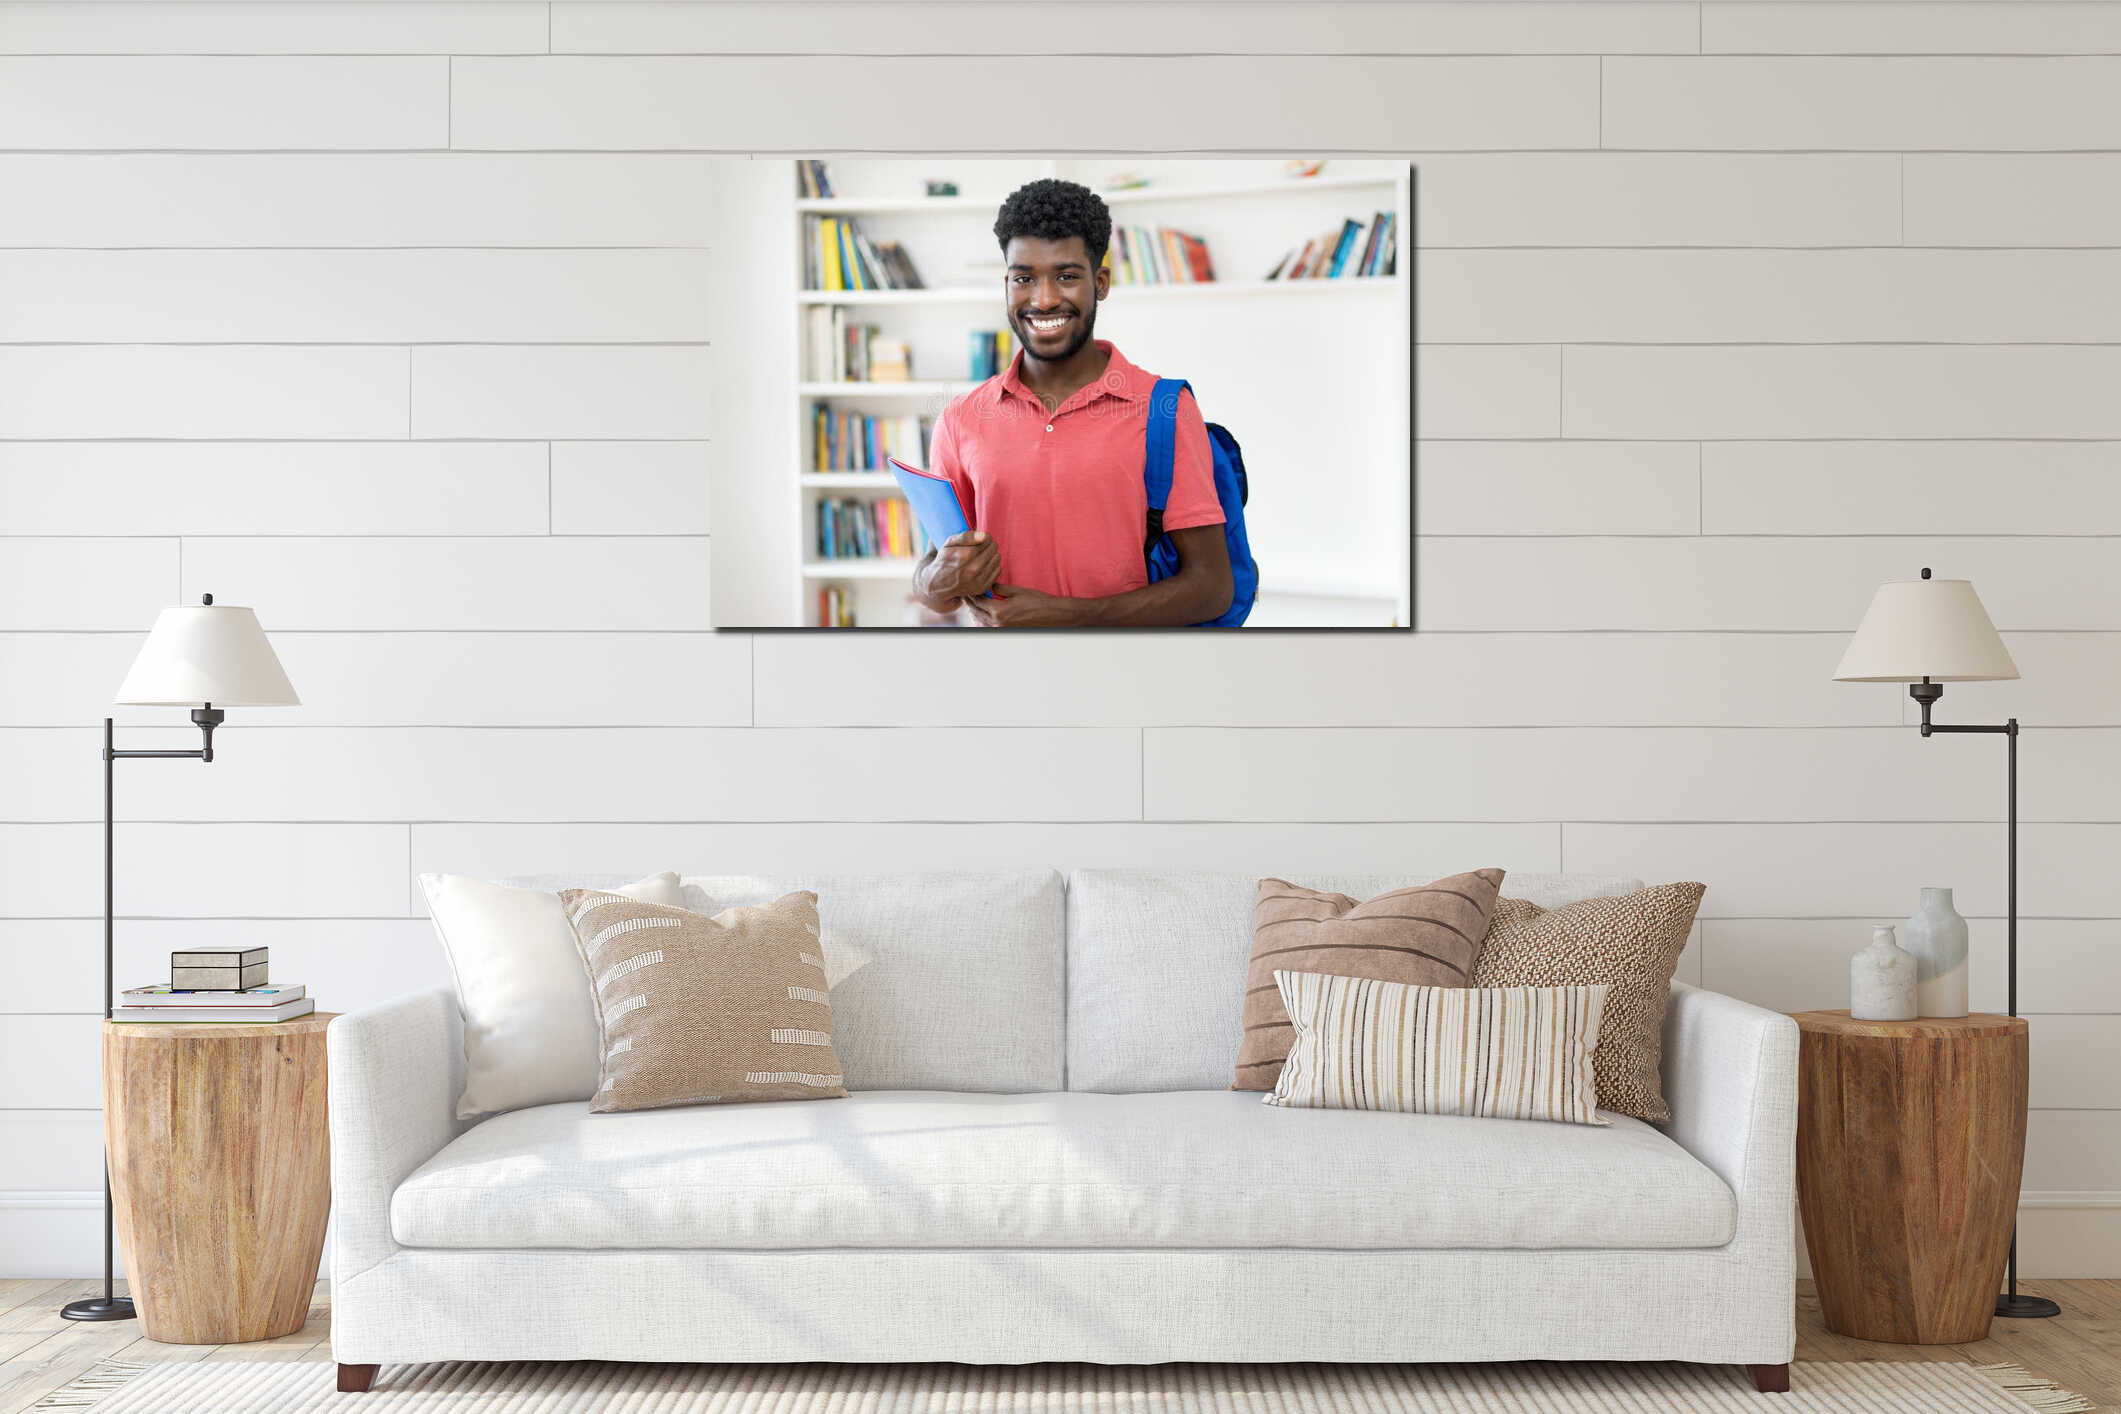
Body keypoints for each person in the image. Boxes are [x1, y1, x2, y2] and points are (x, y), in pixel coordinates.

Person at [910, 179, 1232, 628]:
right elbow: (934, 577)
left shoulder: (1166, 408)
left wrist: (1069, 616)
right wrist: (935, 581)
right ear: (1006, 284)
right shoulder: (961, 419)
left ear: (1099, 283)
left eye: (1066, 276)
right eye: (1024, 278)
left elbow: (1213, 588)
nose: (1043, 299)